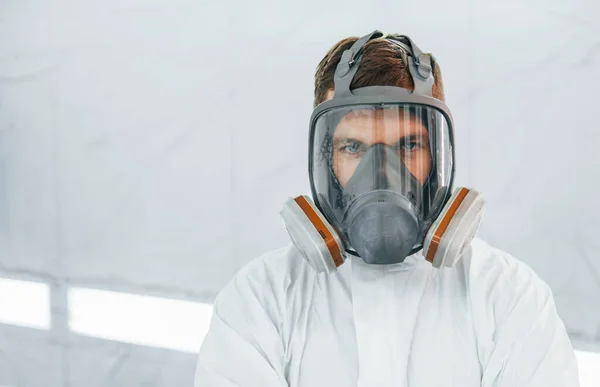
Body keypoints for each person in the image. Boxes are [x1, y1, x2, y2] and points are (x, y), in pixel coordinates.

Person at [194, 31, 580, 387]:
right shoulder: (261, 300)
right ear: (326, 160)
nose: (380, 174)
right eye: (353, 148)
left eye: (409, 146)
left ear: (438, 157)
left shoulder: (508, 297)